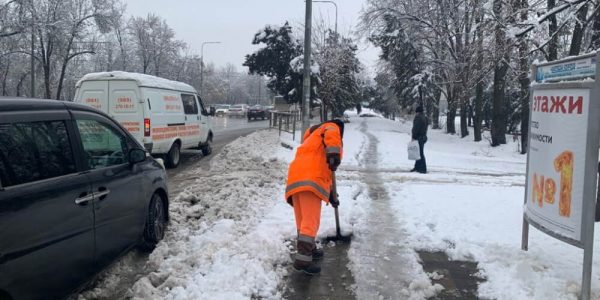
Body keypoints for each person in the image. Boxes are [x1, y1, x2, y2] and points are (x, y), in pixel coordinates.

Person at [285, 119, 344, 275]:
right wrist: (334, 153)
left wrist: (331, 195)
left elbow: (325, 170)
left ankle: (308, 248)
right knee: (311, 220)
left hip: (295, 176)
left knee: (303, 218)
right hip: (310, 178)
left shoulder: (314, 138)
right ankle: (303, 261)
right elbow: (333, 137)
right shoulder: (332, 127)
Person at [411, 106, 428, 174]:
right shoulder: (425, 117)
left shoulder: (418, 117)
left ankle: (423, 169)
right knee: (418, 152)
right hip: (423, 137)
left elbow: (416, 128)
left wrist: (413, 137)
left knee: (420, 153)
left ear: (417, 112)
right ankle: (417, 167)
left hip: (419, 137)